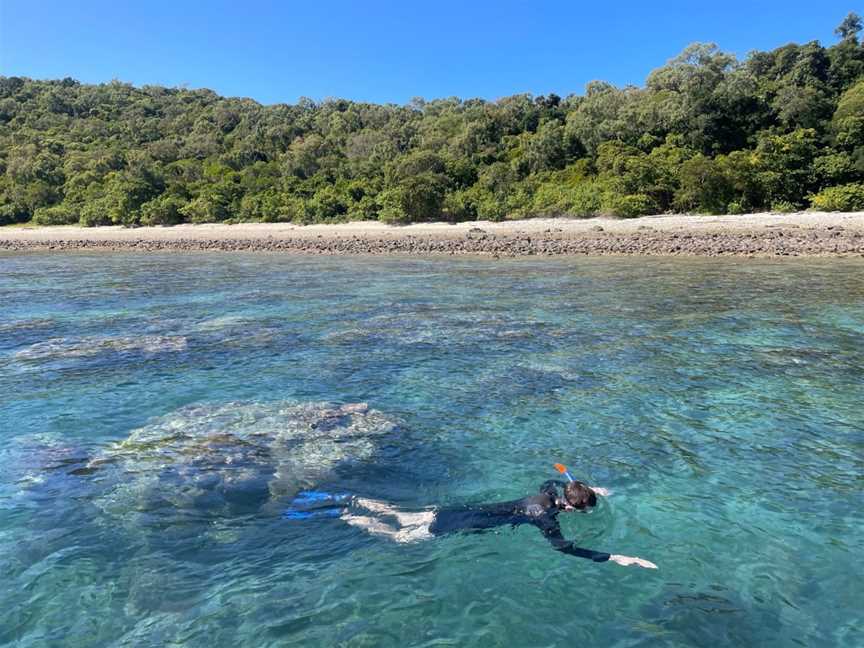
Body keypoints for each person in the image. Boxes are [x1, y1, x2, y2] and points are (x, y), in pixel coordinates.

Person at [284, 465, 657, 569]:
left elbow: (551, 478)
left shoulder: (544, 495)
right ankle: (341, 515)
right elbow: (563, 549)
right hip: (458, 524)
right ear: (574, 507)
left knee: (397, 513)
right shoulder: (545, 518)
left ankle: (346, 498)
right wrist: (613, 557)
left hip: (453, 510)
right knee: (398, 536)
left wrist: (589, 488)